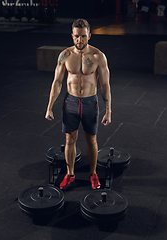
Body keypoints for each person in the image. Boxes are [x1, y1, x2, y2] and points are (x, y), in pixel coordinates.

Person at [45, 18, 112, 190]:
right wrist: (49, 106)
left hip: (90, 102)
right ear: (72, 36)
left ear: (89, 35)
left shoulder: (98, 56)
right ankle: (70, 174)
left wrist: (108, 111)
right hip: (71, 102)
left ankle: (93, 174)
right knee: (69, 139)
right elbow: (57, 82)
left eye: (83, 36)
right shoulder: (65, 55)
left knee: (91, 140)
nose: (79, 40)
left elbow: (105, 85)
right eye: (76, 36)